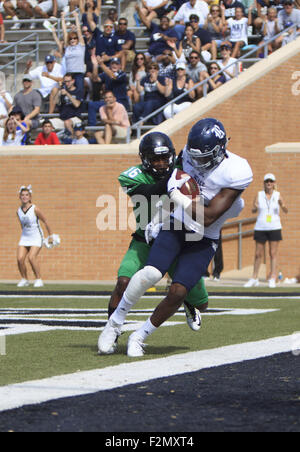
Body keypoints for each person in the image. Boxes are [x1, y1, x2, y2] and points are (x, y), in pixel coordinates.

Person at [98, 118, 253, 357]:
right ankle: (114, 323)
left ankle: (140, 335)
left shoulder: (237, 172)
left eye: (203, 157)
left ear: (219, 151)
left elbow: (208, 217)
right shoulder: (187, 157)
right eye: (193, 156)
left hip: (203, 236)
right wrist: (159, 218)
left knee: (184, 294)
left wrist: (177, 195)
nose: (196, 162)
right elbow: (168, 191)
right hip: (176, 224)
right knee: (150, 273)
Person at [100, 131, 211, 354]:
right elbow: (147, 192)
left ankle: (186, 302)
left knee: (202, 304)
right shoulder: (133, 176)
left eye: (164, 158)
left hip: (176, 239)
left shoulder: (181, 168)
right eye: (155, 159)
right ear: (145, 160)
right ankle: (112, 330)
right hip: (145, 239)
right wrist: (173, 183)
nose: (161, 164)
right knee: (123, 282)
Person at [244, 173, 288, 289]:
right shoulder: (259, 195)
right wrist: (255, 207)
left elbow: (285, 209)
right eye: (267, 181)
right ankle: (254, 278)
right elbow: (254, 210)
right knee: (258, 254)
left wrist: (282, 205)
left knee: (273, 253)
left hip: (274, 227)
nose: (269, 183)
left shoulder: (278, 195)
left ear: (274, 183)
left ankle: (273, 277)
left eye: (271, 181)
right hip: (260, 227)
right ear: (264, 183)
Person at [17, 185, 53, 288]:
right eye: (22, 195)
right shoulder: (18, 211)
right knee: (20, 259)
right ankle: (24, 279)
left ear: (30, 197)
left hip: (36, 237)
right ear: (19, 197)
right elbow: (22, 225)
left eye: (27, 195)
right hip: (25, 237)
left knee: (31, 257)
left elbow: (45, 220)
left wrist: (50, 235)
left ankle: (38, 279)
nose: (24, 197)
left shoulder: (35, 208)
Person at [133, 61, 169, 126]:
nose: (152, 70)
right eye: (150, 68)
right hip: (147, 101)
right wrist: (138, 81)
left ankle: (142, 120)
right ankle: (136, 126)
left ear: (157, 70)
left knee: (150, 103)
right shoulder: (145, 79)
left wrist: (156, 81)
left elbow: (163, 92)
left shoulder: (161, 78)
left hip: (159, 101)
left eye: (154, 68)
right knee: (136, 106)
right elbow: (139, 90)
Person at [61, 11, 86, 97]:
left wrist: (76, 17)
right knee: (67, 93)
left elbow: (79, 31)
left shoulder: (81, 46)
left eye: (75, 38)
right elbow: (65, 32)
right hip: (69, 74)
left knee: (79, 92)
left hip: (79, 73)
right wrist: (63, 18)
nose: (73, 40)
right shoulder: (67, 47)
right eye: (71, 38)